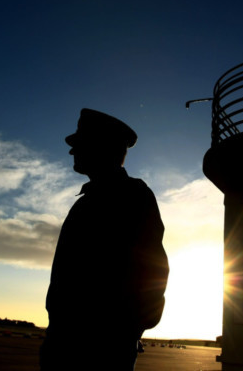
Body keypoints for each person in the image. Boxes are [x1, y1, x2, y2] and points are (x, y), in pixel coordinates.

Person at [40, 108, 169, 370]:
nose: (71, 151)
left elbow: (152, 271)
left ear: (101, 147)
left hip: (98, 350)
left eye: (79, 144)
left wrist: (125, 334)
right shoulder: (88, 201)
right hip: (65, 343)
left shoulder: (132, 197)